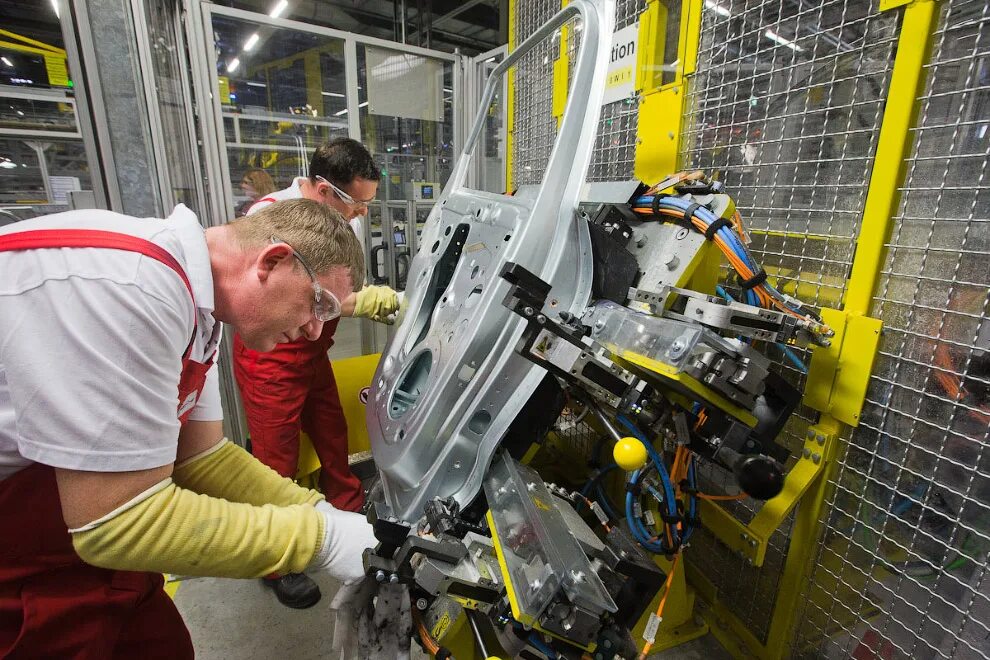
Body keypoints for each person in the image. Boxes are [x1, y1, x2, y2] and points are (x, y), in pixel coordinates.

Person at [0, 198, 378, 658]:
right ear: (272, 261)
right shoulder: (131, 285)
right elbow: (114, 523)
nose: (317, 331)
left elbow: (202, 456)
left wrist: (316, 510)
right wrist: (323, 541)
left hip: (74, 524)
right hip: (23, 555)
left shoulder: (199, 305)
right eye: (319, 303)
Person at [232, 138, 399, 609]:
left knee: (333, 433)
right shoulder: (268, 218)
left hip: (313, 351)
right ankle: (277, 560)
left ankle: (348, 514)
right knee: (275, 458)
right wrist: (366, 302)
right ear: (326, 190)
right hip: (273, 353)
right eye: (359, 202)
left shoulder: (340, 218)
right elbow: (293, 296)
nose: (364, 213)